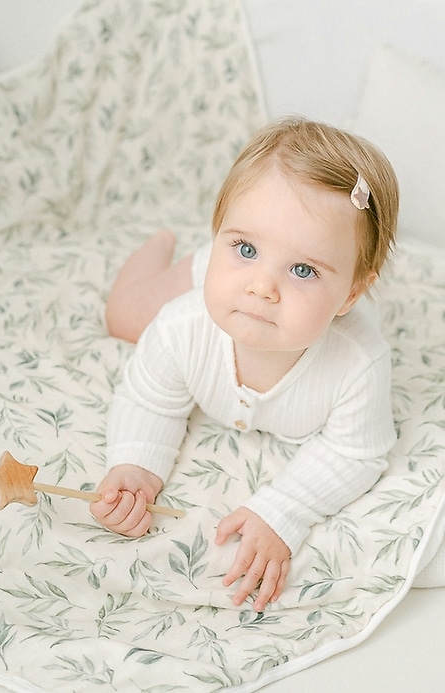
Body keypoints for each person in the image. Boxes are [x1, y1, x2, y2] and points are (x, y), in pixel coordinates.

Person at [90, 117, 399, 612]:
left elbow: (356, 452)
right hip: (207, 281)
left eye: (303, 270)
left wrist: (283, 511)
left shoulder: (357, 364)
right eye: (245, 247)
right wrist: (137, 465)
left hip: (232, 286)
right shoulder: (182, 326)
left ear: (351, 293)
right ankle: (158, 250)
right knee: (124, 317)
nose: (262, 285)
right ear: (219, 236)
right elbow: (151, 399)